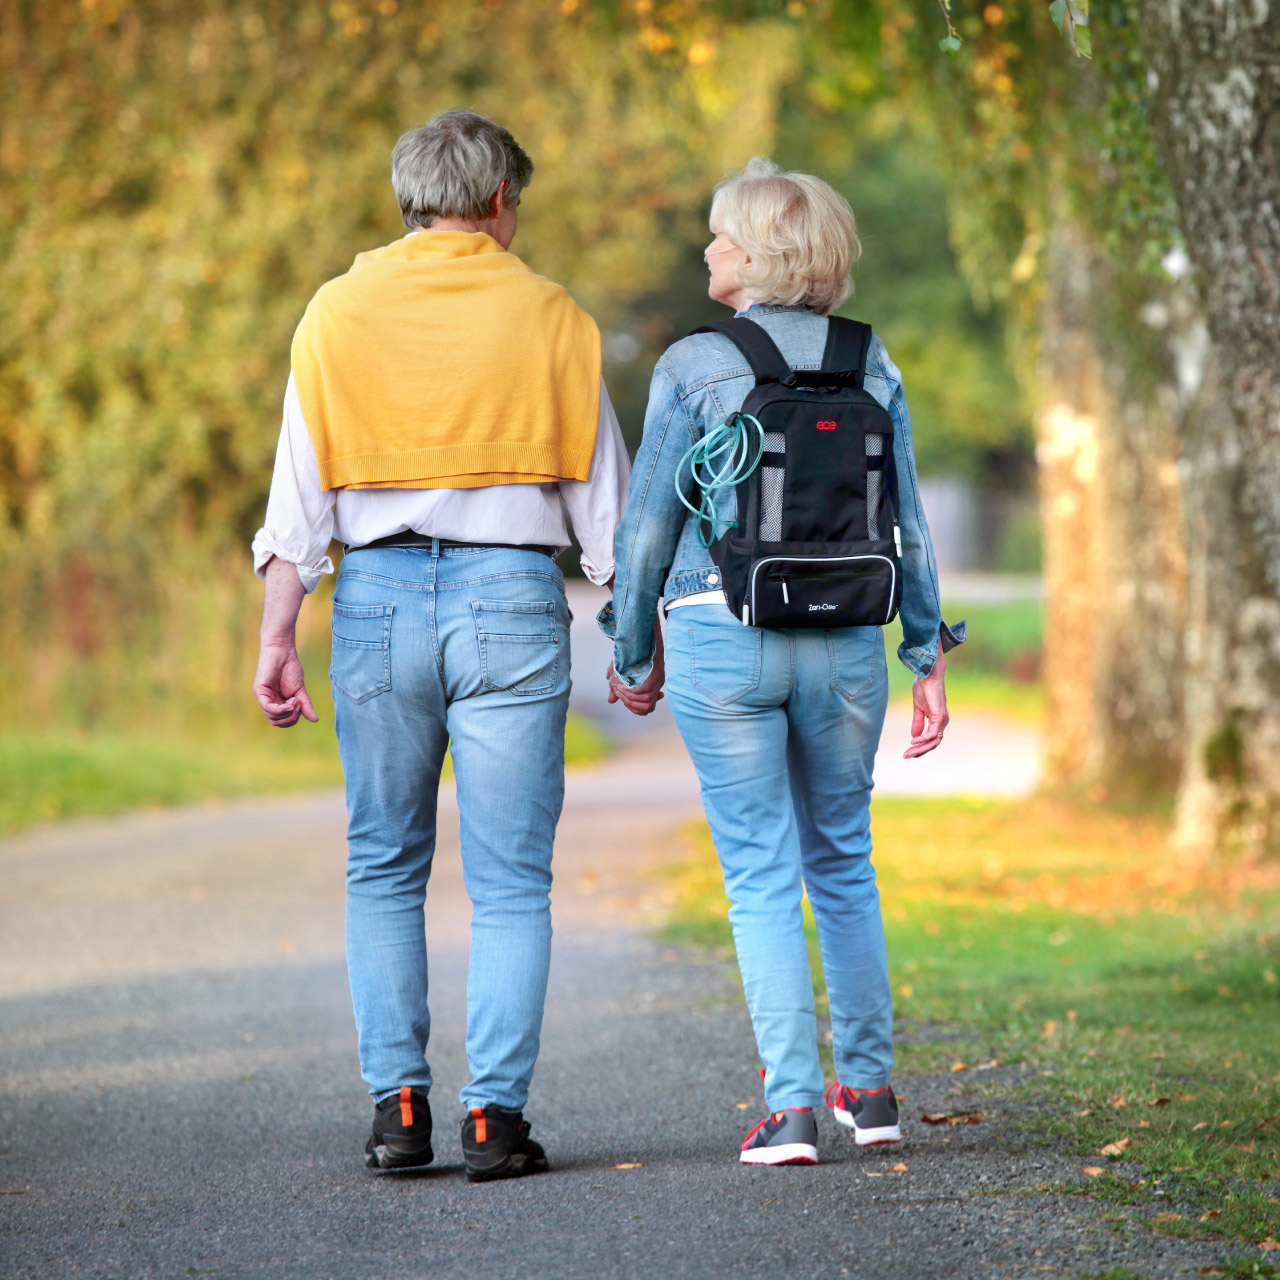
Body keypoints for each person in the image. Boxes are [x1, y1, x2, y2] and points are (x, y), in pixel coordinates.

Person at [251, 109, 629, 1181]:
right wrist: (632, 636)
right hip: (510, 594)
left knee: (382, 865)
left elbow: (297, 503)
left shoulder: (336, 313)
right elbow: (604, 507)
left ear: (407, 196)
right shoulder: (552, 316)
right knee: (510, 879)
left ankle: (398, 1107)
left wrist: (279, 632)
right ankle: (492, 1120)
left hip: (372, 597)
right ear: (501, 200)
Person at [602, 157, 965, 1165]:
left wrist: (633, 654)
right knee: (840, 859)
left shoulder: (693, 361)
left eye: (721, 235)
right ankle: (873, 1090)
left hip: (724, 633)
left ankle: (791, 1108)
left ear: (758, 253)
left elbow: (642, 535)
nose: (707, 249)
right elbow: (908, 520)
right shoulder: (868, 357)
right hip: (846, 636)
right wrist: (924, 645)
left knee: (759, 871)